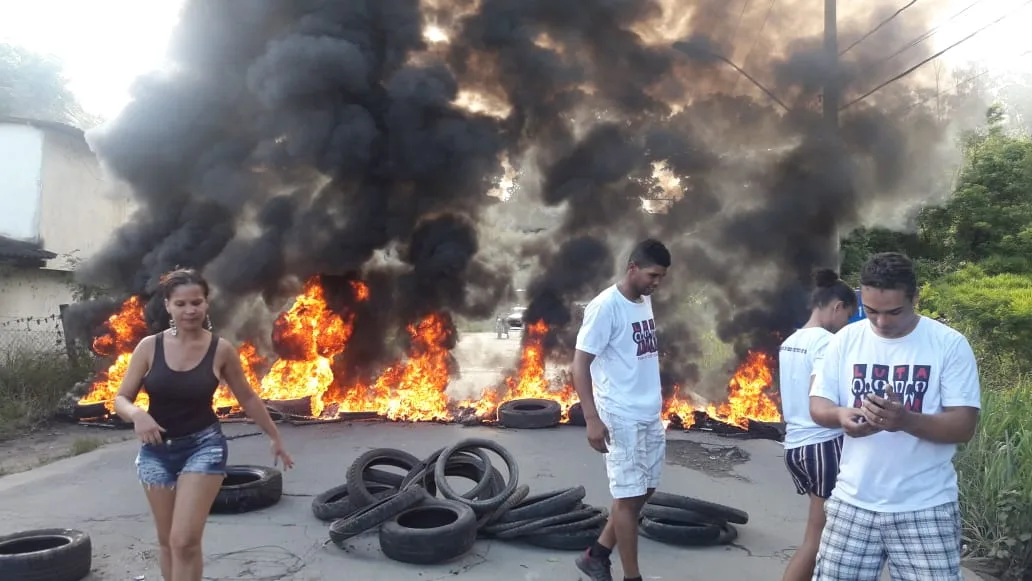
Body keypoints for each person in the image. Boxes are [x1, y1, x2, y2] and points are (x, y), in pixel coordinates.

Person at [113, 268, 295, 581]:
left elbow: (248, 398)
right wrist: (138, 415)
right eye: (181, 304)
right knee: (167, 541)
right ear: (168, 305)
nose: (190, 310)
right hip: (155, 453)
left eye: (196, 302)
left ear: (206, 304)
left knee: (184, 541)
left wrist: (274, 435)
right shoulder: (148, 347)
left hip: (203, 448)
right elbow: (121, 399)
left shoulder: (220, 349)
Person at [809, 252, 981, 580]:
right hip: (852, 503)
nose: (882, 322)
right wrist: (841, 415)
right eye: (871, 311)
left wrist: (906, 420)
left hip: (925, 507)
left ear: (916, 298)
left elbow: (964, 426)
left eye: (894, 312)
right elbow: (818, 405)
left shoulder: (949, 345)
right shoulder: (846, 339)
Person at [571, 238, 671, 581]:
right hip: (619, 415)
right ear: (633, 267)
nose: (656, 283)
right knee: (627, 499)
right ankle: (632, 577)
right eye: (652, 275)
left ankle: (596, 554)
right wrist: (592, 418)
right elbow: (579, 365)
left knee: (645, 489)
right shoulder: (605, 307)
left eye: (661, 277)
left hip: (648, 414)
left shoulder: (643, 301)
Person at [778, 268, 857, 581]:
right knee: (817, 539)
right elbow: (818, 397)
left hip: (796, 446)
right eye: (848, 317)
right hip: (822, 445)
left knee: (819, 533)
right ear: (837, 307)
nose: (846, 325)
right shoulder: (827, 343)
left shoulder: (790, 341)